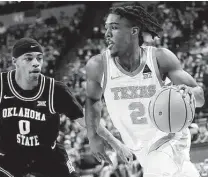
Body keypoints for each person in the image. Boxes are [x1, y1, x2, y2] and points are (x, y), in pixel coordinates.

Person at [85, 5, 205, 177]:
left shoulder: (160, 58)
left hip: (170, 136)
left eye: (114, 27)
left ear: (134, 31)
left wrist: (190, 94)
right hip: (140, 147)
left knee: (160, 166)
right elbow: (92, 100)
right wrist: (92, 136)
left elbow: (199, 97)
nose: (107, 33)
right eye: (107, 28)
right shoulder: (98, 66)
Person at [0, 38, 83, 177]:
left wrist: (114, 142)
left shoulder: (54, 89)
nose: (36, 63)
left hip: (47, 155)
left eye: (39, 58)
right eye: (28, 58)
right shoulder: (2, 85)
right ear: (15, 62)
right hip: (10, 155)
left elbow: (85, 120)